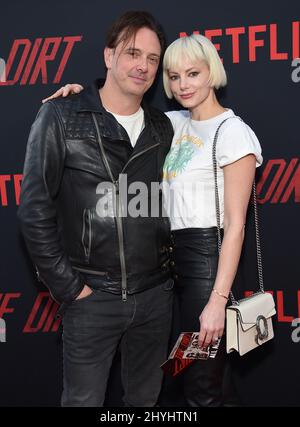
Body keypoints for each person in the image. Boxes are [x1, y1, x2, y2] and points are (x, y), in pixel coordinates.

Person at [43, 34, 262, 407]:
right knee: (180, 374)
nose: (183, 85)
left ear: (213, 72)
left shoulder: (233, 133)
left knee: (202, 383)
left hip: (208, 268)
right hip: (166, 273)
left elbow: (237, 225)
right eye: (174, 77)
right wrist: (76, 96)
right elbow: (116, 108)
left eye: (193, 73)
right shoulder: (172, 122)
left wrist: (216, 301)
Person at [18, 11, 175, 407]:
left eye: (152, 59)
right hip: (93, 299)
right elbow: (34, 211)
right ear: (109, 56)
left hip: (156, 297)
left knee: (146, 403)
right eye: (132, 53)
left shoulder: (164, 128)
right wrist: (72, 289)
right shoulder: (60, 116)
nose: (142, 65)